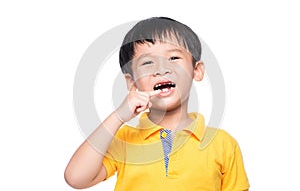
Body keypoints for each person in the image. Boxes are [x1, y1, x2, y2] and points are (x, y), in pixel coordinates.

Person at [65, 17, 250, 190]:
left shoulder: (223, 143)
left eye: (174, 58)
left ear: (197, 70)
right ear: (132, 82)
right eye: (147, 62)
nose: (161, 69)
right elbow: (76, 178)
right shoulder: (125, 140)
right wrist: (118, 116)